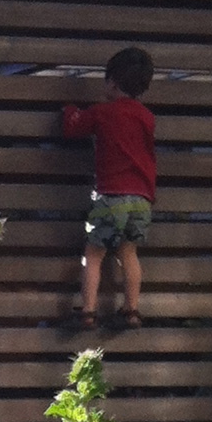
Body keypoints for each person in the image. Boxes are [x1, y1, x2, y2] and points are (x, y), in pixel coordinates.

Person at [62, 46, 156, 329]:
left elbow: (73, 127)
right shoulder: (146, 117)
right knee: (129, 253)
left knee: (94, 254)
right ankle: (131, 310)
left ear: (112, 82)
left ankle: (88, 312)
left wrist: (69, 110)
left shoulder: (103, 113)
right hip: (141, 199)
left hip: (111, 196)